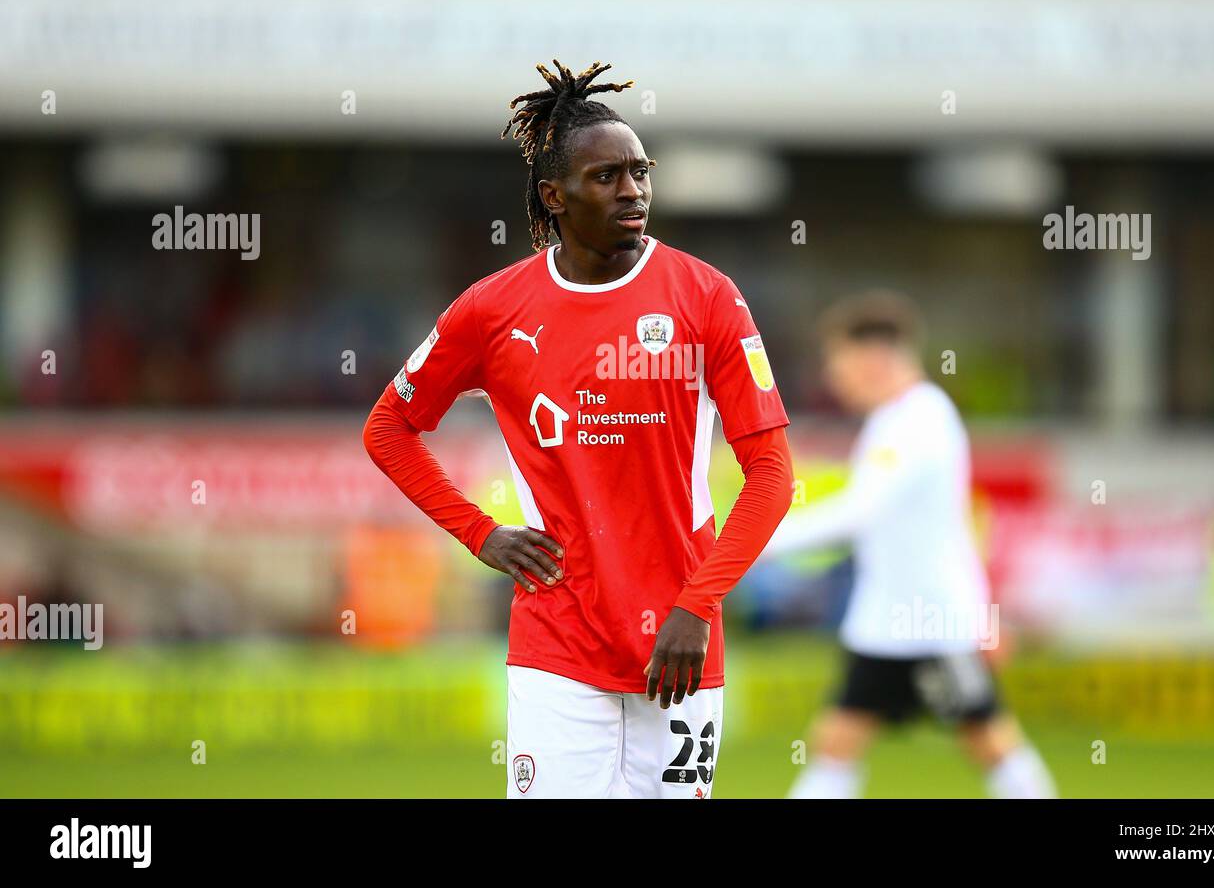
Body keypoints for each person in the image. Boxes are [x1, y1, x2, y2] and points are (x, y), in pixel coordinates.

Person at [363, 60, 794, 798]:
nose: (633, 191)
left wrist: (697, 606)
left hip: (680, 649)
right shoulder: (492, 311)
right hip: (556, 644)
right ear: (553, 197)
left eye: (641, 172)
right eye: (608, 177)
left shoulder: (707, 298)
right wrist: (480, 532)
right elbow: (389, 429)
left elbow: (774, 477)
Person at [765, 290, 1055, 799]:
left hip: (933, 623)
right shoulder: (894, 421)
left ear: (872, 356)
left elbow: (858, 511)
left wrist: (749, 542)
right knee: (836, 742)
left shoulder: (919, 420)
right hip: (886, 621)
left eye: (838, 360)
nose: (833, 377)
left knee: (988, 739)